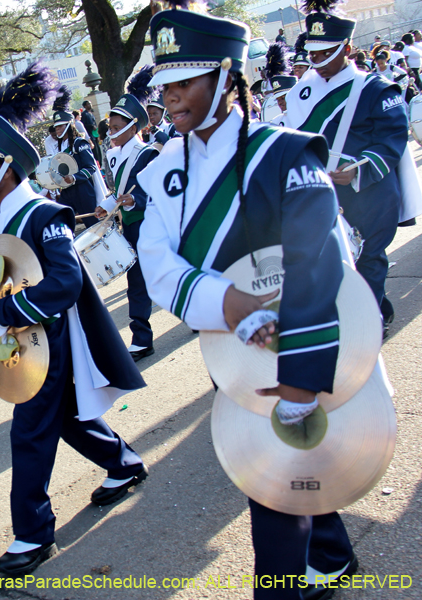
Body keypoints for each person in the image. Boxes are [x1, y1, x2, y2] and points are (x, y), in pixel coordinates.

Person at [137, 8, 356, 598]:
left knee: (269, 479)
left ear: (227, 77)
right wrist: (228, 302)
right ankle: (330, 553)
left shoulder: (285, 154)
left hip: (300, 350)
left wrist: (303, 380)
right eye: (166, 82)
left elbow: (321, 264)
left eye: (186, 80)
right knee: (283, 463)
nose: (170, 95)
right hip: (226, 348)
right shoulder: (159, 173)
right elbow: (159, 267)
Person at [0, 62, 147, 577]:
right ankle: (124, 463)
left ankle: (32, 536)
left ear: (8, 168)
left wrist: (10, 309)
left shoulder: (42, 214)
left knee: (29, 431)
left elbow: (65, 282)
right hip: (13, 337)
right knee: (64, 420)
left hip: (48, 337)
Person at [284, 3, 408, 331]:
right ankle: (377, 305)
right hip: (325, 193)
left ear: (348, 48)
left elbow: (392, 140)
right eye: (313, 54)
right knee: (338, 262)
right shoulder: (302, 92)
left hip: (370, 192)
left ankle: (367, 327)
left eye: (326, 53)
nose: (317, 61)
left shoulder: (377, 89)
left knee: (368, 258)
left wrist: (358, 168)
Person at [95, 80, 160, 361]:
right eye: (109, 127)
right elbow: (119, 191)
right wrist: (106, 205)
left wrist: (136, 200)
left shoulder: (148, 153)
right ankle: (142, 339)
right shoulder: (114, 155)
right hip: (131, 227)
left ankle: (197, 314)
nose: (110, 132)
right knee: (137, 282)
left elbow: (154, 190)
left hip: (151, 224)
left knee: (167, 275)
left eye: (114, 127)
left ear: (133, 127)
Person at [53, 86, 102, 227]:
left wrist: (74, 177)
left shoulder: (79, 142)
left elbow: (91, 167)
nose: (57, 129)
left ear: (69, 125)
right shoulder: (60, 146)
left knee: (93, 225)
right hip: (68, 191)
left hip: (83, 190)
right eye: (56, 127)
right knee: (59, 221)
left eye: (60, 126)